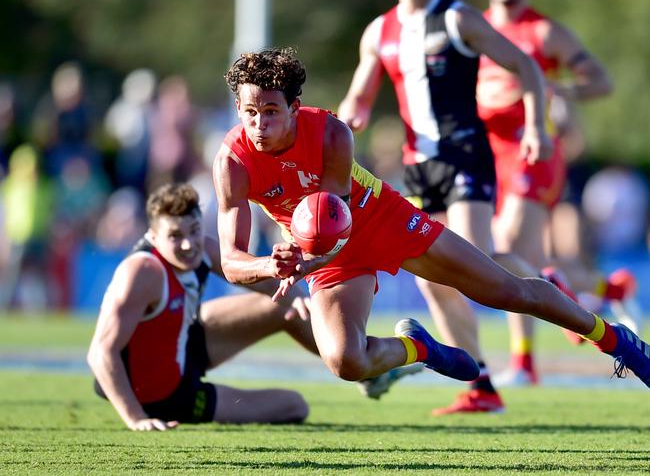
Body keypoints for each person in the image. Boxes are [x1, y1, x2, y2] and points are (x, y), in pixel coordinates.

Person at [213, 48, 650, 415]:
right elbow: (232, 260)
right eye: (250, 113)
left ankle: (616, 340)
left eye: (271, 111)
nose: (259, 125)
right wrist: (268, 263)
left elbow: (335, 222)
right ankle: (420, 349)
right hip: (323, 250)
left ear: (294, 107)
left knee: (507, 292)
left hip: (380, 219)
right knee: (346, 362)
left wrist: (303, 260)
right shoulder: (231, 162)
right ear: (238, 110)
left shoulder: (331, 132)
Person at [338, 0, 553, 413]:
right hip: (419, 166)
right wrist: (348, 118)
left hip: (465, 155)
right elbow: (358, 96)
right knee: (432, 279)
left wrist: (536, 128)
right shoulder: (380, 31)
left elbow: (525, 65)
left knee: (476, 258)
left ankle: (551, 291)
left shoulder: (458, 19)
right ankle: (482, 385)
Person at [477, 0, 640, 386]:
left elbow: (601, 81)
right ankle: (594, 288)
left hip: (535, 149)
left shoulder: (546, 31)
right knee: (506, 257)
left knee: (509, 243)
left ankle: (525, 364)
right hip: (487, 154)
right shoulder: (473, 27)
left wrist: (558, 91)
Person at [87, 182, 318, 431]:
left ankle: (353, 364)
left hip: (184, 343)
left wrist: (295, 296)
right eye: (175, 236)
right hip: (164, 392)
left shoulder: (204, 248)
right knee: (295, 406)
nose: (188, 245)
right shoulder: (143, 272)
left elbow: (257, 279)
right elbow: (100, 353)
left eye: (194, 231)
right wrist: (136, 418)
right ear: (153, 237)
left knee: (287, 302)